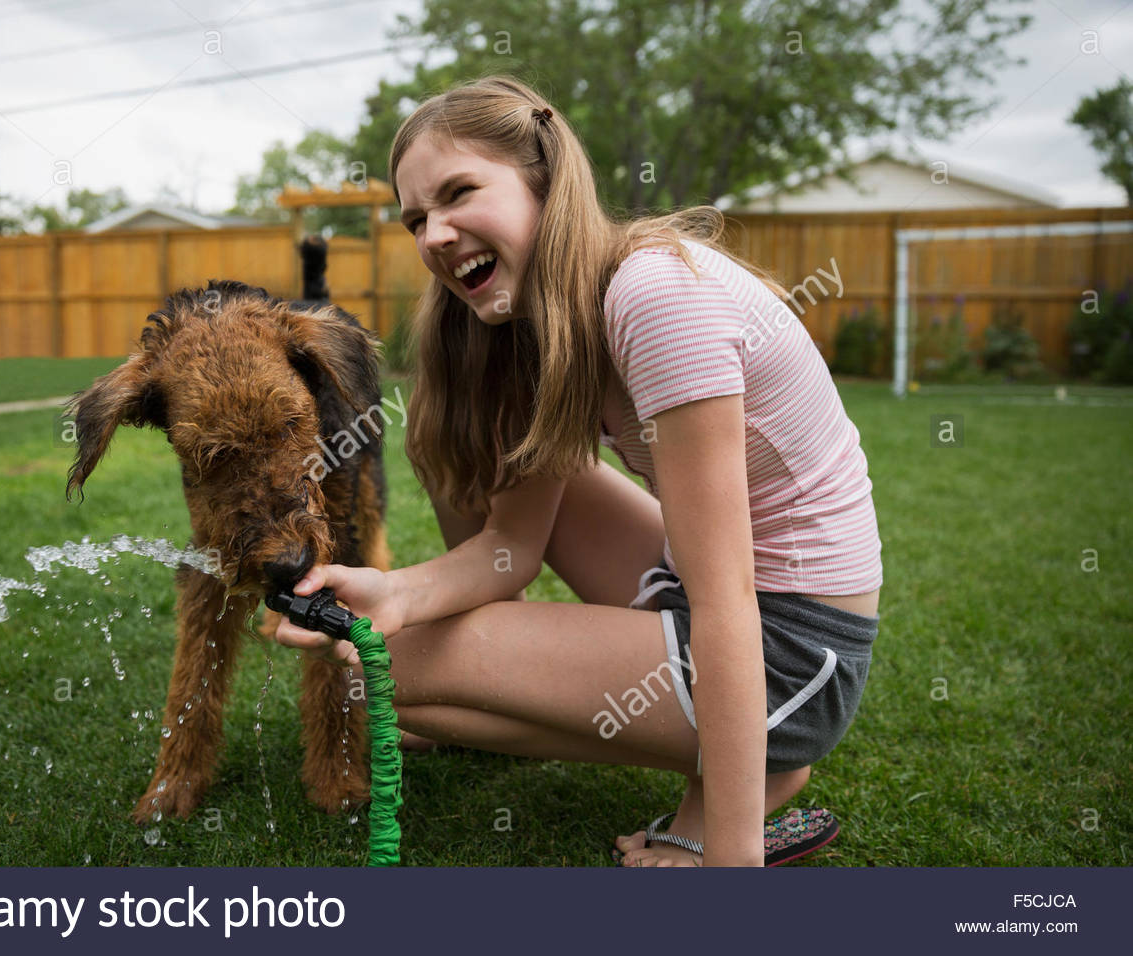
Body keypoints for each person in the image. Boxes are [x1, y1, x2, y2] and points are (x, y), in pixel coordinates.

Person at [274, 76, 882, 868]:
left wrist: (726, 860)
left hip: (794, 651)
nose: (435, 235)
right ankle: (736, 746)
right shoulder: (545, 322)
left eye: (460, 193)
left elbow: (726, 600)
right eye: (417, 219)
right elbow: (512, 547)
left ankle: (760, 762)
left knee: (383, 673)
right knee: (373, 661)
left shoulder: (654, 295)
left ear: (546, 182)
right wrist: (400, 592)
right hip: (712, 599)